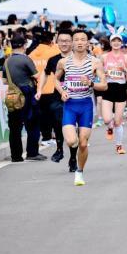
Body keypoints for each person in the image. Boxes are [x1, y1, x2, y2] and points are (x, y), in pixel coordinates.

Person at [54, 30, 108, 186]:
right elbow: (56, 80)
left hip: (85, 105)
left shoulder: (95, 62)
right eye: (76, 39)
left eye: (82, 39)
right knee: (72, 141)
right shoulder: (63, 62)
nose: (79, 42)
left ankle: (79, 172)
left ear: (87, 43)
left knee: (83, 143)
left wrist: (90, 83)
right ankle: (74, 152)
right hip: (70, 105)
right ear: (72, 42)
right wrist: (62, 91)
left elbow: (104, 86)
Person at [36, 30, 77, 170]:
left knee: (72, 129)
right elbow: (45, 74)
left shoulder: (79, 58)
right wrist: (39, 89)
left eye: (67, 41)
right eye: (61, 41)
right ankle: (59, 149)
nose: (64, 43)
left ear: (72, 42)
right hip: (58, 97)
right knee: (58, 121)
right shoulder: (53, 59)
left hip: (76, 97)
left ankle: (73, 158)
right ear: (56, 42)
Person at [3, 34, 45, 162]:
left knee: (15, 127)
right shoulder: (25, 59)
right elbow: (38, 76)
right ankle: (32, 152)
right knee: (32, 123)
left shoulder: (6, 61)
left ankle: (16, 156)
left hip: (12, 95)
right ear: (24, 45)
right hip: (27, 93)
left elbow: (4, 80)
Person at [101, 33, 127, 154]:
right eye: (114, 41)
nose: (116, 43)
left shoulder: (126, 57)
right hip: (108, 88)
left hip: (120, 88)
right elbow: (98, 72)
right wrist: (103, 74)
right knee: (107, 119)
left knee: (118, 121)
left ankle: (119, 146)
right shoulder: (104, 57)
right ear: (110, 42)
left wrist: (125, 69)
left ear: (121, 43)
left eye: (118, 41)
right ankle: (109, 128)